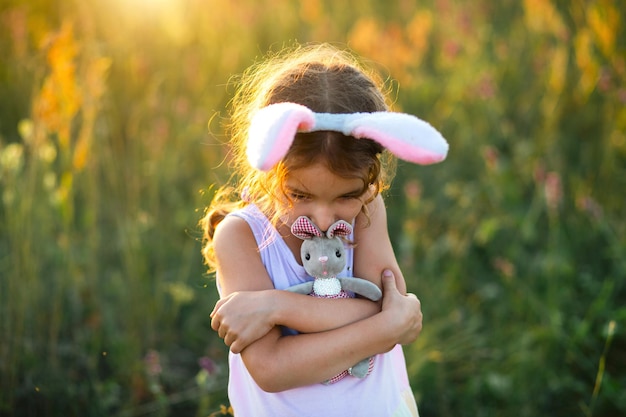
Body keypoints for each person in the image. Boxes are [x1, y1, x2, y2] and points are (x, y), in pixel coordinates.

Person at [201, 43, 448, 416]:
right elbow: (272, 368)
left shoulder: (367, 210)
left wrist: (275, 306)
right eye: (299, 194)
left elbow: (389, 304)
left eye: (346, 195)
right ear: (270, 168)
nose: (323, 219)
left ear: (370, 178)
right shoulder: (240, 236)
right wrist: (386, 328)